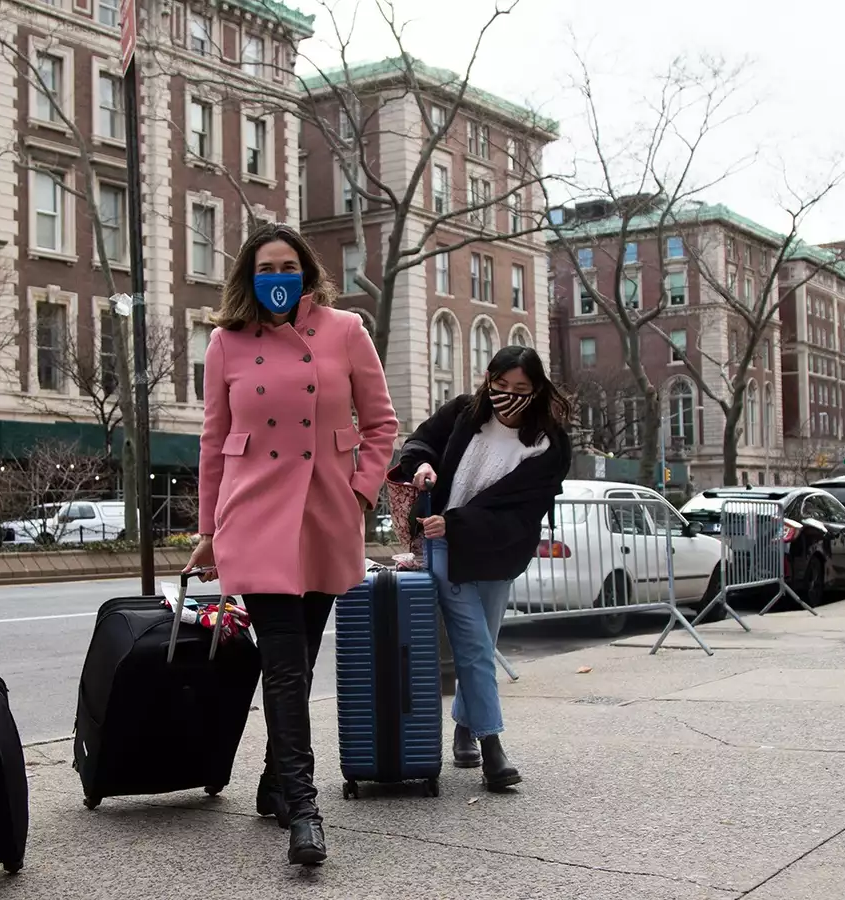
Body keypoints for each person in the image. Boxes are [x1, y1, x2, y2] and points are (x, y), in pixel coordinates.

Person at [185, 223, 398, 865]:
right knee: (282, 661)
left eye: (287, 266)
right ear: (249, 279)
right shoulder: (225, 341)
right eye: (264, 268)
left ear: (306, 273)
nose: (277, 278)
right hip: (254, 515)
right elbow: (213, 441)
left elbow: (382, 424)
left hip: (326, 511)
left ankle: (275, 781)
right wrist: (208, 531)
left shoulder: (345, 331)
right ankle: (304, 811)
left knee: (299, 662)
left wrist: (360, 493)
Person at [394, 345, 571, 792]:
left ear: (537, 389)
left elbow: (519, 515)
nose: (508, 396)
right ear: (487, 379)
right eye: (500, 385)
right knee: (473, 647)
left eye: (521, 389)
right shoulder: (463, 414)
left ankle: (463, 727)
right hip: (444, 548)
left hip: (498, 552)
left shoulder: (549, 445)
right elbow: (417, 442)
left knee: (483, 644)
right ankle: (493, 746)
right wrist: (424, 465)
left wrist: (455, 522)